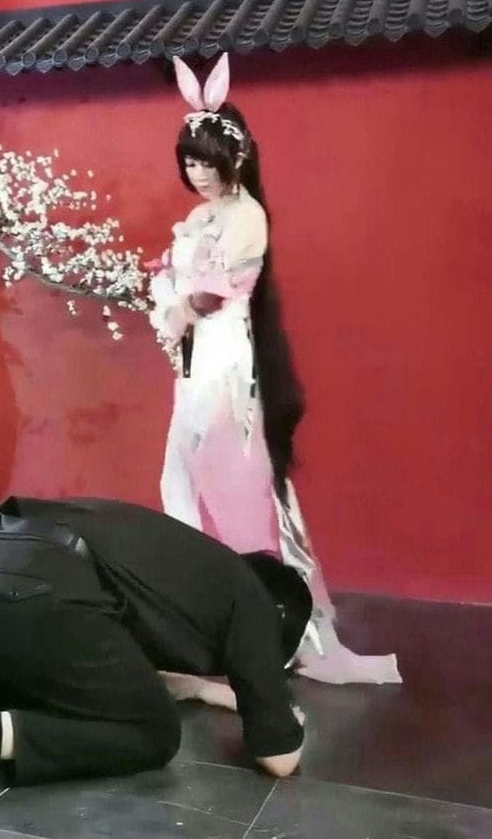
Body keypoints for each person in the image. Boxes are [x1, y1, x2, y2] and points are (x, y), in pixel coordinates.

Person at [149, 53, 401, 686]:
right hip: (195, 357)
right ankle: (204, 616)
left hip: (226, 359)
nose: (198, 173)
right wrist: (164, 288)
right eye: (189, 162)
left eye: (207, 161)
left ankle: (267, 619)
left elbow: (216, 291)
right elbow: (181, 277)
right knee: (183, 475)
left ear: (235, 158)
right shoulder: (202, 216)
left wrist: (179, 307)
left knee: (233, 479)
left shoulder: (247, 216)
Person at [0, 495, 312, 818]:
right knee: (153, 731)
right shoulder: (255, 600)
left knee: (86, 693)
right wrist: (284, 720)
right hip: (32, 588)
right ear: (279, 617)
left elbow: (115, 677)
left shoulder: (197, 570)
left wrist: (206, 691)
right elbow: (279, 759)